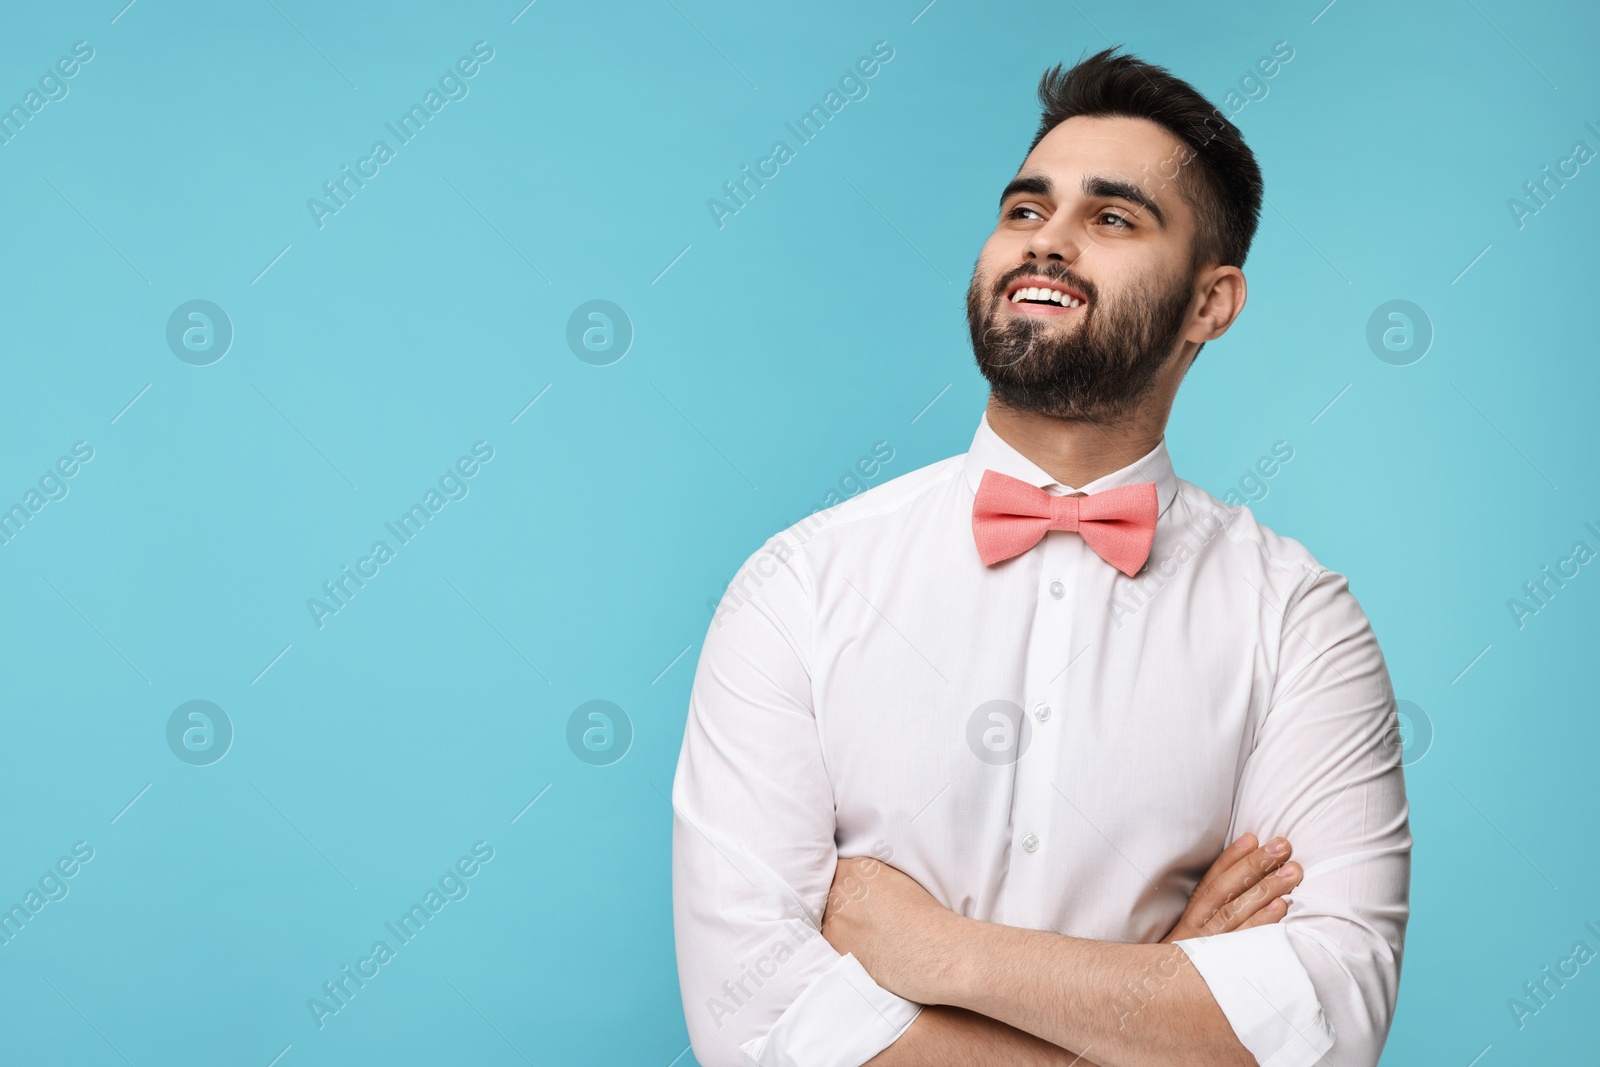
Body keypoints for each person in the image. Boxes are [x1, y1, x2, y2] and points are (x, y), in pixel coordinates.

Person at [672, 46, 1410, 1067]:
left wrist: (938, 951)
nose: (1047, 242)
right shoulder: (797, 587)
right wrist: (1164, 987)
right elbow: (753, 1021)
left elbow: (1327, 1019)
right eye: (1025, 210)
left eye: (1112, 218)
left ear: (1211, 303)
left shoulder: (1298, 619)